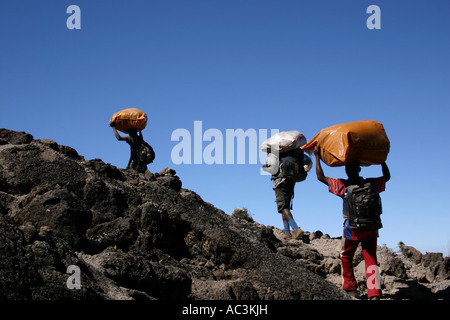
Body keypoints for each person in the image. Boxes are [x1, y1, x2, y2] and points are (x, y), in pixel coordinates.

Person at [314, 146, 390, 300]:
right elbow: (387, 176)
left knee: (346, 256)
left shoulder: (343, 186)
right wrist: (382, 161)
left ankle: (350, 289)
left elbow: (320, 177)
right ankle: (374, 293)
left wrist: (317, 156)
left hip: (352, 229)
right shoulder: (372, 184)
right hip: (371, 227)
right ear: (359, 170)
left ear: (347, 171)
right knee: (371, 258)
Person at [263, 148, 309, 240]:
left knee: (282, 207)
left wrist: (266, 168)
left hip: (280, 182)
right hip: (291, 181)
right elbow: (307, 163)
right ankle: (287, 233)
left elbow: (273, 169)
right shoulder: (295, 153)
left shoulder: (275, 153)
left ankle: (296, 229)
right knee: (285, 207)